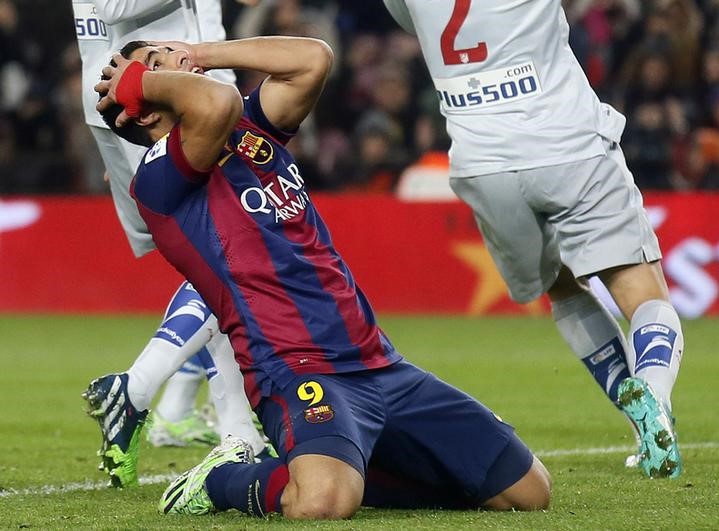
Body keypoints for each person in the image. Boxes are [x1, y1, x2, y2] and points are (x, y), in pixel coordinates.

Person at [93, 36, 551, 518]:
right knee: (320, 503)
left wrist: (201, 54)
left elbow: (313, 60)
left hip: (377, 362)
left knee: (528, 493)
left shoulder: (250, 128)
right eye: (152, 65)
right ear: (142, 110)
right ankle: (222, 479)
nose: (170, 60)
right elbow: (216, 102)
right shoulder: (159, 177)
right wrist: (138, 80)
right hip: (294, 367)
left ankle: (345, 463)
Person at [381, 0, 684, 478]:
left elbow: (408, 20)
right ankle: (654, 394)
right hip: (568, 145)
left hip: (482, 164)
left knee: (561, 286)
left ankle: (640, 425)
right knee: (643, 291)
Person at [71, 0, 268, 488]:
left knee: (217, 253)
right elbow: (112, 7)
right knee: (226, 249)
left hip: (190, 88)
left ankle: (234, 432)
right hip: (147, 98)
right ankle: (139, 391)